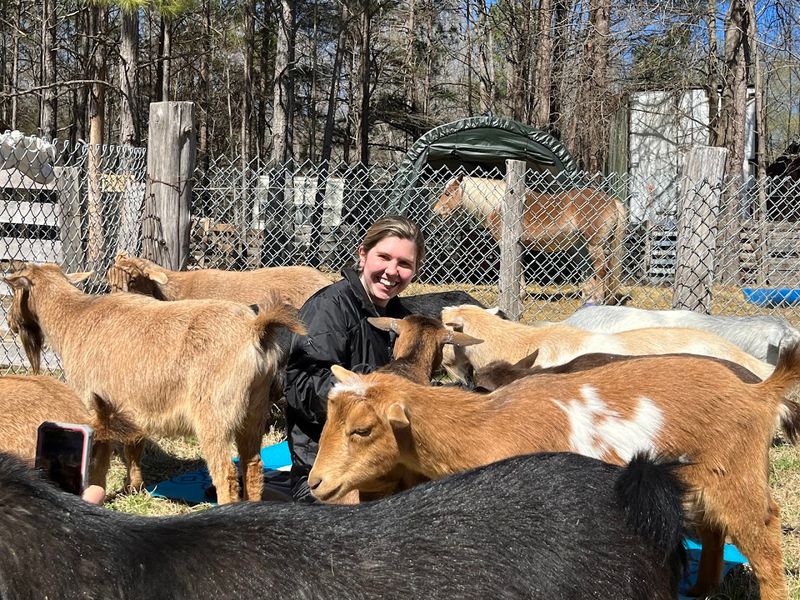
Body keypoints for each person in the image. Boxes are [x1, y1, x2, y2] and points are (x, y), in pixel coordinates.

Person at [284, 215, 425, 503]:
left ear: (415, 271)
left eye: (404, 264)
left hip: (379, 458)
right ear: (363, 255)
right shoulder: (330, 309)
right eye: (383, 257)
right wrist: (364, 390)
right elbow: (299, 386)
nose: (391, 271)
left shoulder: (398, 316)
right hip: (328, 466)